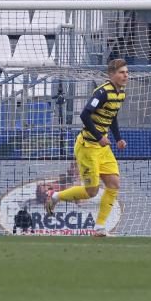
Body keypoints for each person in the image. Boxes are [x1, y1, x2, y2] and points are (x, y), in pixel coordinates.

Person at [45, 59, 128, 237]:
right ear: (112, 74)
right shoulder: (102, 92)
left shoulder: (120, 94)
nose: (125, 75)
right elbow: (84, 115)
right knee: (92, 191)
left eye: (126, 72)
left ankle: (99, 227)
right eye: (121, 72)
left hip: (102, 148)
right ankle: (55, 197)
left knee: (114, 184)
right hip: (88, 147)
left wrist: (118, 138)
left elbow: (111, 116)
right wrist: (99, 137)